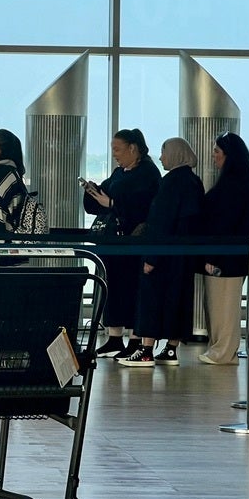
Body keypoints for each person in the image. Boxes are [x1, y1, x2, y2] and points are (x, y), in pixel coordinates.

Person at [120, 137, 204, 368]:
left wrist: (151, 257)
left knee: (152, 299)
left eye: (164, 152)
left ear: (175, 154)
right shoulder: (194, 182)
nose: (161, 157)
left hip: (163, 254)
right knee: (178, 300)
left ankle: (146, 350)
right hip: (183, 257)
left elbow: (160, 222)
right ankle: (170, 349)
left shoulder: (171, 183)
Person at [83, 128, 161, 361]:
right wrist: (94, 192)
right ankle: (115, 336)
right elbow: (106, 198)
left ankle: (135, 339)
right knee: (114, 287)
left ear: (132, 148)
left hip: (134, 242)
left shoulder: (148, 173)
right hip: (114, 241)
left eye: (117, 149)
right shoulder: (119, 173)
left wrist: (114, 202)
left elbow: (144, 206)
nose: (115, 154)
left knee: (133, 289)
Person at [198, 132, 249, 365]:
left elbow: (223, 225)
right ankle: (220, 349)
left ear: (228, 155)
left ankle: (223, 352)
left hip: (226, 257)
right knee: (218, 305)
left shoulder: (232, 187)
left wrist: (212, 256)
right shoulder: (238, 184)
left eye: (217, 152)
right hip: (229, 255)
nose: (213, 156)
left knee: (224, 306)